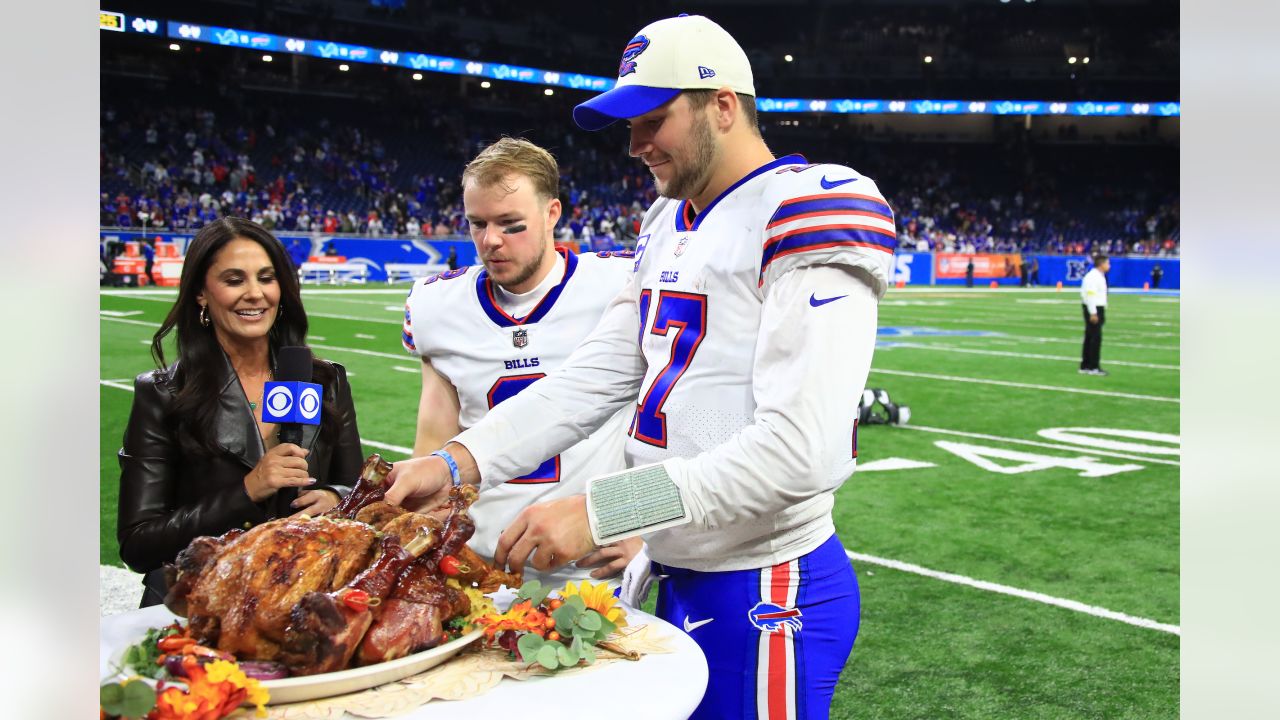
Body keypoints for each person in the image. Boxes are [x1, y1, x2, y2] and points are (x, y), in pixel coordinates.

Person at [384, 15, 891, 718]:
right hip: (674, 567)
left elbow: (801, 451)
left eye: (654, 118)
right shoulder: (666, 223)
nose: (634, 144)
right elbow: (591, 380)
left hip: (766, 581)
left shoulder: (806, 204)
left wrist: (605, 508)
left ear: (723, 105)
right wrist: (452, 464)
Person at [401, 138, 639, 586]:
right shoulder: (437, 305)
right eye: (477, 224)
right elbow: (434, 436)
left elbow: (673, 422)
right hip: (476, 563)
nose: (491, 241)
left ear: (552, 214)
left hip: (589, 570)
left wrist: (647, 525)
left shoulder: (621, 284)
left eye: (511, 224)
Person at [117, 217, 363, 607]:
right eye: (234, 280)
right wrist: (247, 491)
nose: (255, 294)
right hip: (200, 608)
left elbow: (359, 490)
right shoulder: (163, 393)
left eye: (266, 278)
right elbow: (139, 544)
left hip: (306, 603)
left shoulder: (326, 380)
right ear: (201, 292)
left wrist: (337, 497)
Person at [1080, 253, 1110, 376]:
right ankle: (1093, 366)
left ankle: (1086, 365)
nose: (1109, 266)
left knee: (1089, 336)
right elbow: (1090, 295)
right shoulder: (1093, 277)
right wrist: (1093, 312)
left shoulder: (1098, 276)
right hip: (1094, 308)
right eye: (1108, 263)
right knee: (1095, 338)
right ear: (1101, 264)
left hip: (1094, 307)